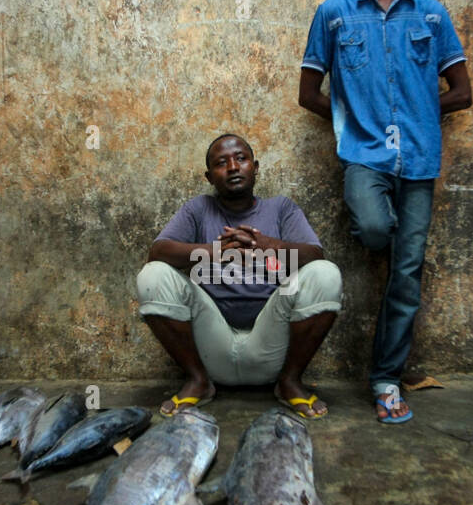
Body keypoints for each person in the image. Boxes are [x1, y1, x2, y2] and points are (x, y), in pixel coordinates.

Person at [298, 0, 472, 424]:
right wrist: (354, 119)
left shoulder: (432, 14)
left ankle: (387, 378)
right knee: (375, 229)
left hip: (418, 160)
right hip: (365, 156)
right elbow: (309, 92)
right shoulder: (335, 12)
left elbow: (461, 92)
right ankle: (389, 239)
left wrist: (421, 109)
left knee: (406, 276)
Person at [137, 134, 342, 418]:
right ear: (209, 177)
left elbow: (315, 257)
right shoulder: (199, 209)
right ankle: (198, 381)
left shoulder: (280, 208)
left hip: (270, 345)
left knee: (326, 273)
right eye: (222, 163)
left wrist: (272, 246)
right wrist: (213, 251)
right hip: (212, 346)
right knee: (152, 275)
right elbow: (158, 252)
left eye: (241, 159)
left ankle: (289, 382)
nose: (233, 167)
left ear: (255, 167)